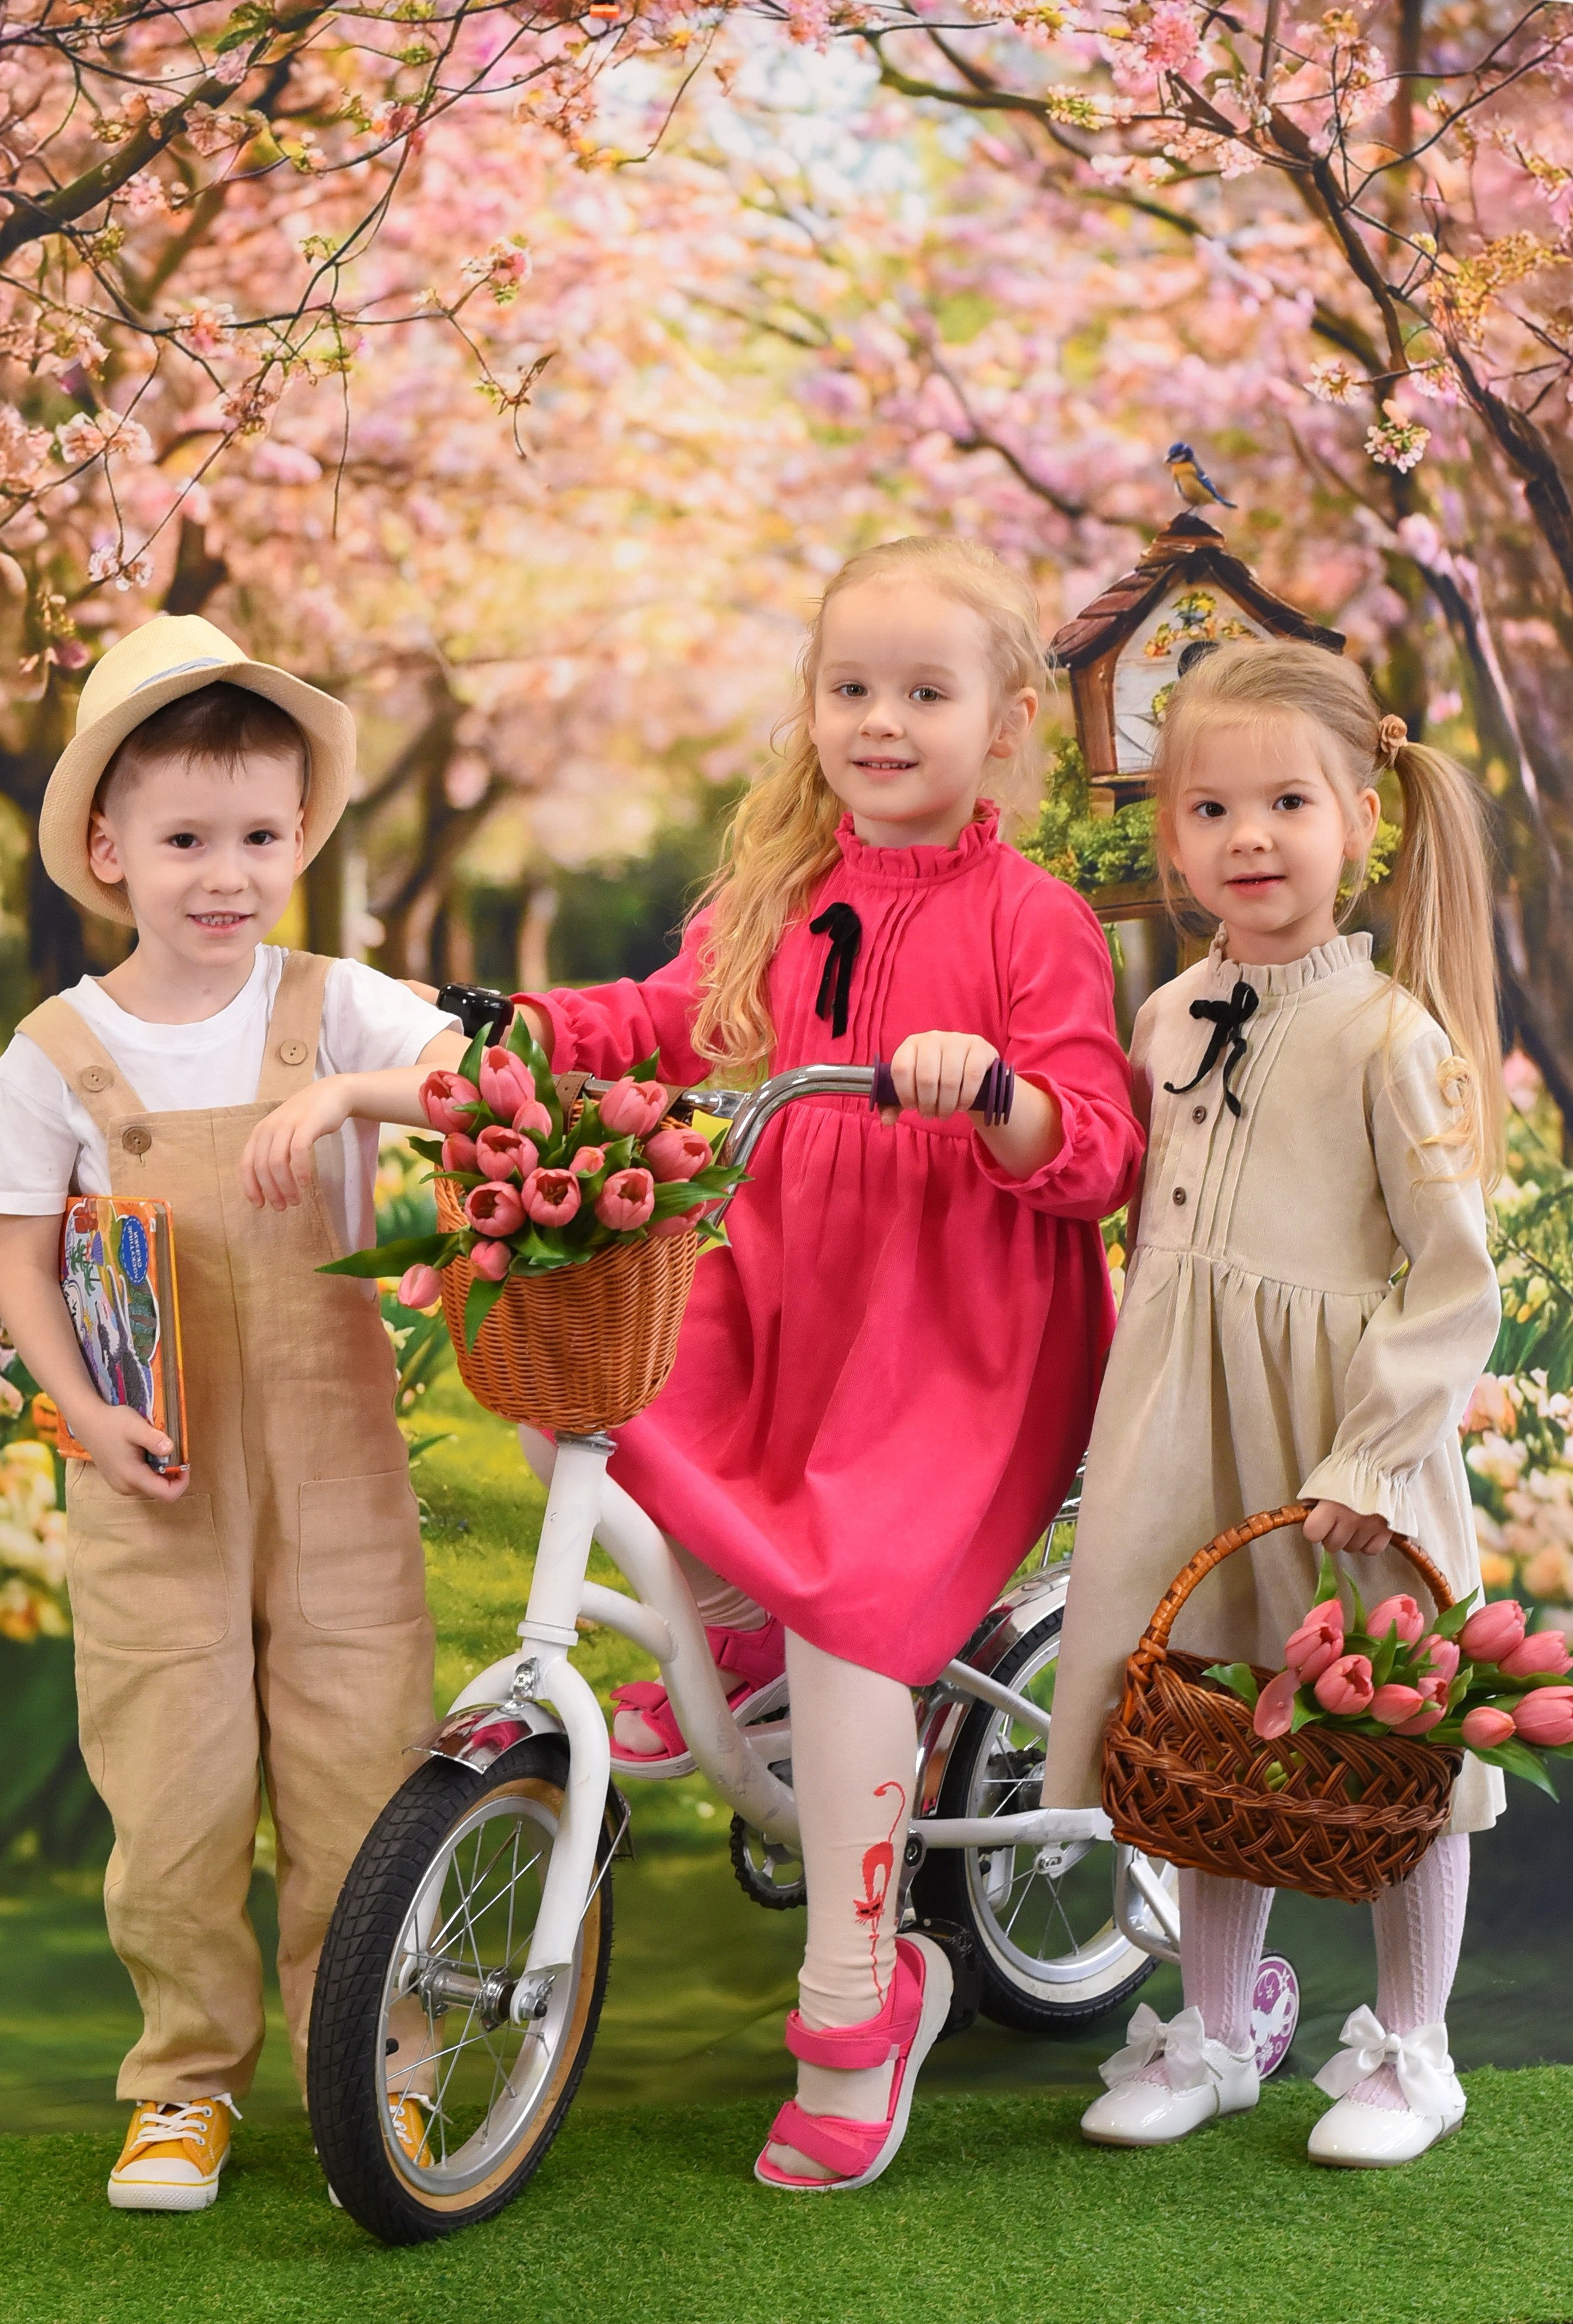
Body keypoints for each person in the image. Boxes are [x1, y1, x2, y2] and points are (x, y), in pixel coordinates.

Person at [509, 536, 1143, 2189]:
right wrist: (511, 1030)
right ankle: (741, 1656)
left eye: (925, 693)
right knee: (593, 1414)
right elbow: (664, 1018)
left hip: (964, 1333)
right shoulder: (781, 896)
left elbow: (1093, 1147)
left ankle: (862, 1999)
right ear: (811, 709)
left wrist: (990, 1087)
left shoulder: (1035, 918)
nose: (881, 721)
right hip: (795, 1293)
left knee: (859, 1600)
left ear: (1006, 721)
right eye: (851, 689)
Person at [0, 616, 468, 2212]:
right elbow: (20, 1261)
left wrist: (346, 1094)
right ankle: (183, 2086)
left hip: (337, 1483)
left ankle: (371, 2076)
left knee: (359, 1783)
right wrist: (75, 1410)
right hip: (152, 1480)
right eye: (187, 839)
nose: (226, 873)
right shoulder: (58, 1054)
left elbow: (476, 1075)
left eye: (261, 836)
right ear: (107, 848)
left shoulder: (331, 1007)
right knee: (175, 1795)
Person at [1040, 639, 1504, 2167]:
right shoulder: (1169, 1012)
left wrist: (1370, 1453)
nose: (1248, 837)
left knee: (1398, 1742)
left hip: (1334, 1447)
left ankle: (1413, 2049)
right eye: (1212, 808)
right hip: (1192, 1435)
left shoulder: (1389, 1037)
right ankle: (1221, 2027)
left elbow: (1451, 1275)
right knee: (1206, 1731)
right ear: (1170, 837)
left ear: (1357, 817)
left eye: (1286, 801)